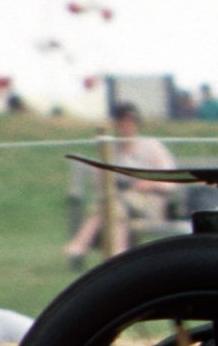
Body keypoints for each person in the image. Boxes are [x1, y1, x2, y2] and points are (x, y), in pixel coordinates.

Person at [64, 102, 182, 264]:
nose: (126, 125)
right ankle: (116, 255)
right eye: (122, 121)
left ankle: (79, 247)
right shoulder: (111, 151)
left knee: (110, 205)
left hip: (151, 203)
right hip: (117, 202)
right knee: (113, 206)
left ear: (137, 123)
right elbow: (100, 184)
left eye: (131, 120)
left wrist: (146, 184)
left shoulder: (152, 147)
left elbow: (170, 182)